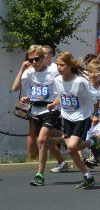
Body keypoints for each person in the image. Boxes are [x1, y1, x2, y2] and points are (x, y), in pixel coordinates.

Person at [12, 45, 65, 185]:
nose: (34, 62)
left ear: (43, 58)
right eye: (31, 60)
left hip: (50, 110)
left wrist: (55, 103)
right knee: (46, 140)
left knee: (41, 140)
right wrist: (22, 68)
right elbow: (15, 88)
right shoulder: (29, 72)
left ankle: (39, 174)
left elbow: (63, 90)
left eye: (37, 59)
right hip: (35, 111)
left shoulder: (53, 72)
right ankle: (68, 137)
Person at [52, 52, 100, 189]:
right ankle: (88, 176)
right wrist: (54, 104)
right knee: (71, 151)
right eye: (57, 65)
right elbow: (61, 96)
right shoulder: (57, 80)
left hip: (81, 117)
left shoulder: (80, 82)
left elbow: (94, 98)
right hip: (67, 117)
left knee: (72, 146)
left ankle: (92, 142)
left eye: (62, 65)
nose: (59, 68)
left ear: (70, 66)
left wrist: (95, 114)